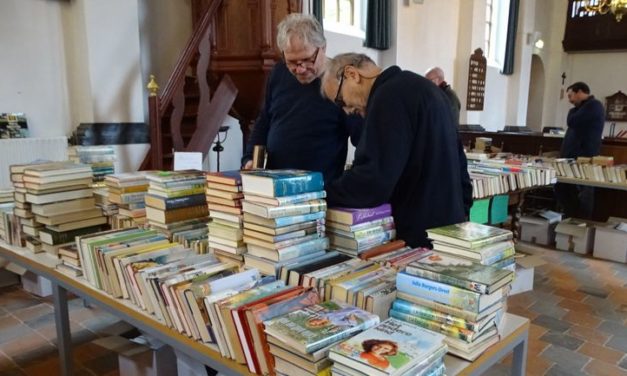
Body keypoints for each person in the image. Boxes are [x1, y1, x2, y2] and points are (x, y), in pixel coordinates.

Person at [320, 53, 473, 248]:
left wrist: (321, 193)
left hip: (418, 237)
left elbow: (372, 182)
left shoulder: (388, 97)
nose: (347, 111)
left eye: (340, 101)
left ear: (351, 74)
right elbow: (460, 166)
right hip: (450, 228)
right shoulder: (427, 89)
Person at [241, 14, 362, 185]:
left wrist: (353, 183)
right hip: (274, 188)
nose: (300, 69)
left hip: (318, 192)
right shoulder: (279, 72)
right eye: (292, 62)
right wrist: (248, 158)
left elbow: (363, 140)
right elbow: (265, 120)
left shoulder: (342, 83)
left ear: (323, 48)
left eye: (307, 60)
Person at [554, 81, 605, 218]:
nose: (570, 100)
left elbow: (572, 121)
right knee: (562, 187)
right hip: (571, 157)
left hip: (585, 156)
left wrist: (573, 112)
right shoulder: (579, 108)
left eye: (571, 96)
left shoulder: (594, 105)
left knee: (584, 190)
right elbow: (572, 119)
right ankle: (571, 216)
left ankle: (581, 221)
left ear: (580, 92)